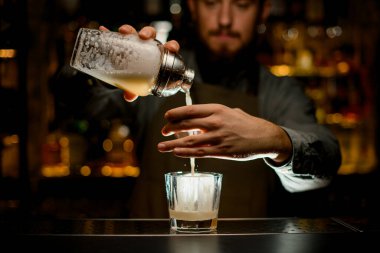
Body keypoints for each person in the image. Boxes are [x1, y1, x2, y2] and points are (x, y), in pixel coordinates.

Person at [53, 0, 341, 217]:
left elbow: (326, 164)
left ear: (263, 11)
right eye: (212, 2)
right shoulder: (153, 73)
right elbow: (73, 103)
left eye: (241, 4)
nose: (225, 19)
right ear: (192, 6)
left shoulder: (279, 93)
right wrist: (105, 67)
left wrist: (277, 141)